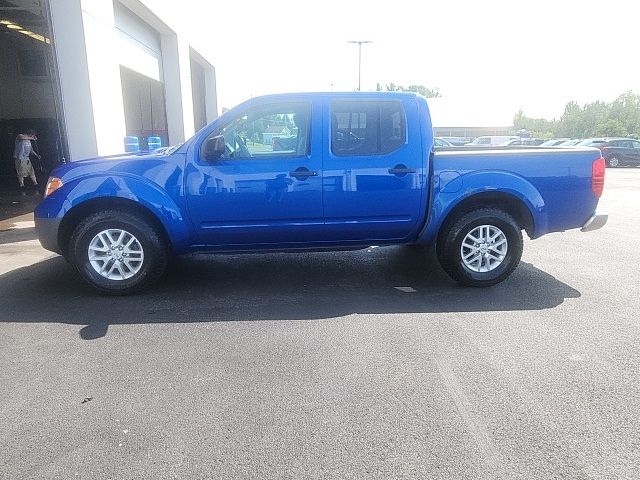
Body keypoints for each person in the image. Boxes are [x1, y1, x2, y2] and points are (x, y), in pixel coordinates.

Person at [13, 129, 40, 195]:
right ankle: (22, 185)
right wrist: (32, 138)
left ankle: (35, 184)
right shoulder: (20, 136)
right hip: (20, 158)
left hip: (27, 158)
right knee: (21, 172)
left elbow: (31, 150)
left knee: (31, 171)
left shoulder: (29, 141)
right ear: (30, 134)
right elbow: (22, 138)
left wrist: (37, 155)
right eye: (32, 135)